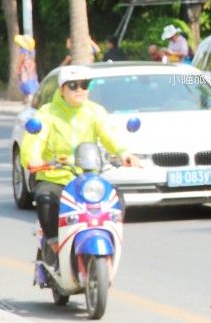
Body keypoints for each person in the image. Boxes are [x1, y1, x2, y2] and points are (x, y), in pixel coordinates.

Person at [20, 65, 141, 268]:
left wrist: (124, 154)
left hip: (86, 180)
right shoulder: (47, 113)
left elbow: (109, 135)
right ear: (61, 89)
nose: (79, 90)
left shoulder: (95, 112)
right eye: (73, 85)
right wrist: (33, 158)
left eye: (84, 85)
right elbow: (35, 139)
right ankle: (55, 246)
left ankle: (108, 240)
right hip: (55, 177)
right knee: (45, 198)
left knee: (116, 198)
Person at [15, 34, 39, 104]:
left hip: (25, 68)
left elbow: (20, 61)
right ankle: (31, 96)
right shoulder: (32, 50)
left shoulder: (23, 51)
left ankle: (28, 97)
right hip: (31, 67)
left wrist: (18, 68)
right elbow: (33, 60)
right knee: (32, 80)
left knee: (25, 82)